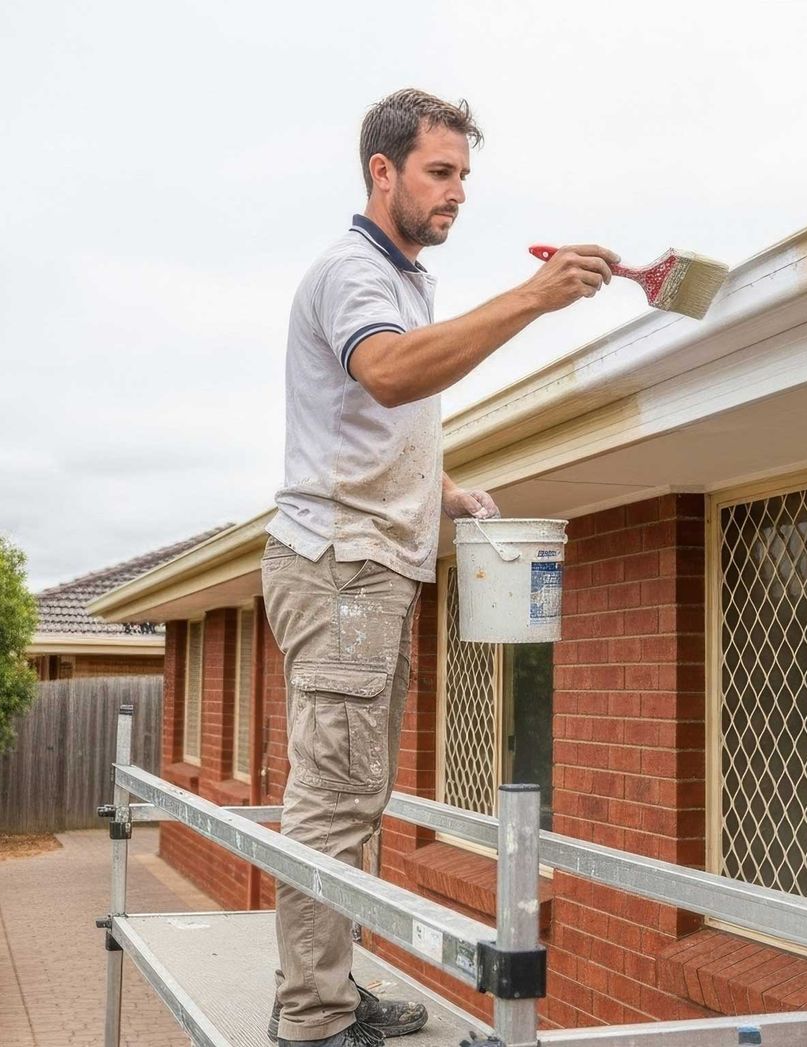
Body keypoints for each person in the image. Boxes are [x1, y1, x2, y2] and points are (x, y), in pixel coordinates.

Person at [262, 88, 618, 1047]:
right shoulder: (353, 273)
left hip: (371, 566)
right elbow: (387, 373)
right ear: (382, 172)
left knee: (360, 791)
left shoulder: (404, 276)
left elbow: (375, 419)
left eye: (465, 174)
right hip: (341, 569)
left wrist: (442, 488)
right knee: (336, 795)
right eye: (439, 171)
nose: (458, 192)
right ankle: (311, 1019)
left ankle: (326, 984)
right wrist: (534, 299)